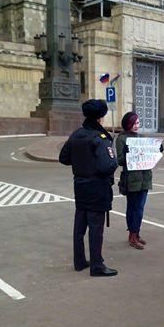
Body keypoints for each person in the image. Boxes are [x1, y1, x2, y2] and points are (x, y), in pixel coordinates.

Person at [59, 99, 118, 277]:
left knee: (80, 226)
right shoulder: (100, 138)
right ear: (101, 117)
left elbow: (64, 158)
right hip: (97, 187)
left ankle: (79, 261)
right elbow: (108, 165)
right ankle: (97, 265)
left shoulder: (76, 134)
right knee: (95, 227)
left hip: (80, 185)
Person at [116, 112, 163, 250]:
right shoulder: (122, 139)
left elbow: (150, 156)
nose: (137, 126)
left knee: (140, 208)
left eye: (138, 123)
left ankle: (136, 233)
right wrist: (126, 154)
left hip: (145, 178)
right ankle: (132, 235)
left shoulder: (141, 138)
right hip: (132, 179)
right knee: (133, 208)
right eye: (134, 123)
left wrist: (157, 150)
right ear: (127, 124)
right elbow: (119, 161)